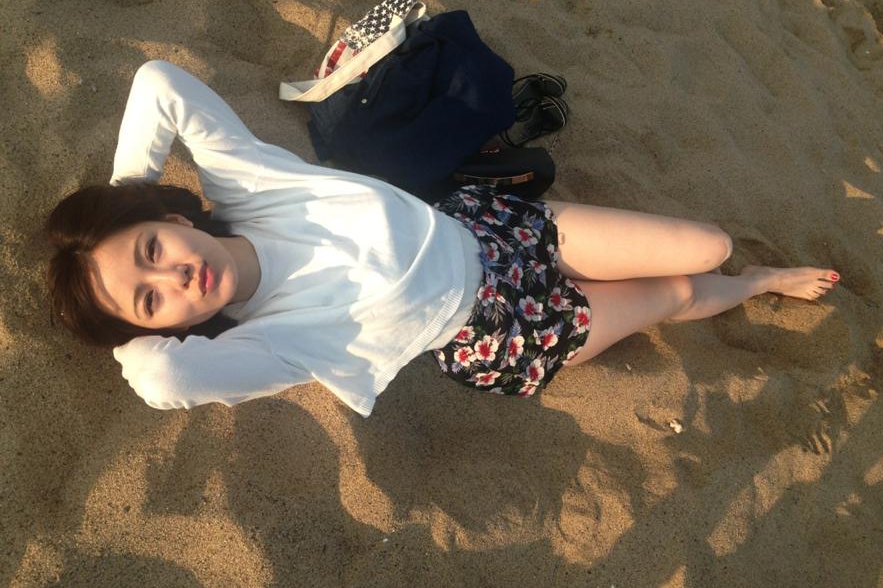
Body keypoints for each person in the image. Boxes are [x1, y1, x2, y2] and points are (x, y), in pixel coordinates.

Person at [46, 61, 840, 415]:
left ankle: (734, 270)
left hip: (493, 230)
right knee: (680, 290)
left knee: (706, 244)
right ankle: (760, 285)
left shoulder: (249, 183)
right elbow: (161, 379)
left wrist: (123, 198)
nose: (175, 279)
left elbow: (158, 83)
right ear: (166, 328)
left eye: (152, 252)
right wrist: (125, 325)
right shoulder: (273, 344)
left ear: (174, 219)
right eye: (151, 302)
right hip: (498, 332)